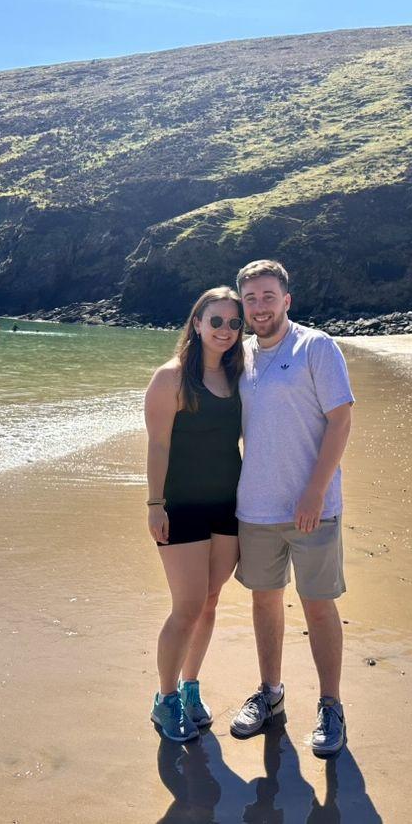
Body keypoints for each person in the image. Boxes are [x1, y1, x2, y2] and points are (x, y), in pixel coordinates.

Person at [230, 259, 354, 757]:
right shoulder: (240, 356)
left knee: (317, 605)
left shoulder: (315, 347)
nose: (260, 307)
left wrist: (315, 491)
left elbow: (341, 420)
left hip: (312, 508)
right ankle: (270, 693)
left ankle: (330, 704)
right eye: (251, 299)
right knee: (264, 602)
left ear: (287, 300)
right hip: (255, 507)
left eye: (268, 296)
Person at [144, 286, 245, 742]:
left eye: (234, 322)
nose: (225, 330)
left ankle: (190, 686)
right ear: (198, 323)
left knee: (209, 601)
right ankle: (165, 699)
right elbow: (158, 444)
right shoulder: (171, 378)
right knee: (186, 607)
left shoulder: (239, 375)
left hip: (228, 504)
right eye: (216, 320)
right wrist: (154, 504)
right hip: (181, 505)